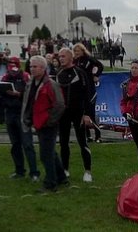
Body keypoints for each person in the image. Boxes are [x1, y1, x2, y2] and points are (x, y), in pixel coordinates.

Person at [21, 56, 66, 193]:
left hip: (47, 124)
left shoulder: (50, 84)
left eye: (35, 66)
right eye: (31, 67)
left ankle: (50, 183)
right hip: (38, 122)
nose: (32, 69)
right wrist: (27, 119)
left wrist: (49, 120)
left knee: (46, 154)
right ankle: (61, 177)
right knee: (50, 152)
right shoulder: (31, 83)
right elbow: (28, 102)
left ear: (43, 68)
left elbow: (59, 105)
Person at [55, 47, 95, 183]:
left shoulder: (79, 73)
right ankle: (65, 170)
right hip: (63, 114)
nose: (60, 59)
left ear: (70, 58)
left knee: (82, 142)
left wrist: (87, 114)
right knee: (63, 143)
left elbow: (88, 95)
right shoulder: (58, 73)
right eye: (59, 56)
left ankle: (88, 171)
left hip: (79, 112)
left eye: (63, 56)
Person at [3, 57, 40, 181]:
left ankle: (34, 172)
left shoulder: (26, 77)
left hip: (23, 114)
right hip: (9, 113)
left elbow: (31, 95)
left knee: (27, 144)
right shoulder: (5, 78)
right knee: (15, 145)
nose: (12, 70)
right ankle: (19, 170)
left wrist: (19, 95)